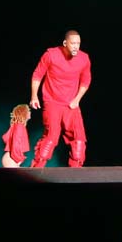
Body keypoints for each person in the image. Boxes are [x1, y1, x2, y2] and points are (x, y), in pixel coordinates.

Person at [30, 30, 92, 167]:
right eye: (73, 43)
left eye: (78, 43)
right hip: (52, 102)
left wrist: (77, 99)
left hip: (71, 104)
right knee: (51, 137)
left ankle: (75, 172)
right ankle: (36, 169)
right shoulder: (51, 55)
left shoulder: (84, 58)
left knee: (79, 140)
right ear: (65, 43)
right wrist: (34, 96)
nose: (76, 46)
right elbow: (37, 75)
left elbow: (86, 81)